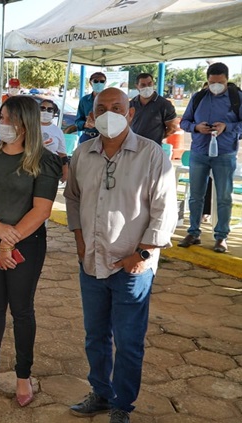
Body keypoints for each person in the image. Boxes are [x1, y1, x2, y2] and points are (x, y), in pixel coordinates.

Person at [64, 88, 177, 423]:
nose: (109, 113)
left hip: (132, 267)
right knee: (95, 335)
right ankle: (100, 392)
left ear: (130, 114)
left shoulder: (151, 154)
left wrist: (142, 253)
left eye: (117, 107)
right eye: (102, 108)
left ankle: (122, 404)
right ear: (92, 115)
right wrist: (80, 241)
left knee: (128, 342)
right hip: (92, 262)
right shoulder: (83, 154)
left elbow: (165, 210)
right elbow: (72, 198)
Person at [0, 95, 61, 407]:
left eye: (8, 118)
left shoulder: (44, 160)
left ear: (25, 122)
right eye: (1, 117)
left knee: (21, 309)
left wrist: (11, 239)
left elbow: (42, 209)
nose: (2, 123)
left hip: (27, 243)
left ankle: (23, 374)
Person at [178, 62, 241, 253]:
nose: (215, 86)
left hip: (224, 153)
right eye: (212, 82)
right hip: (199, 152)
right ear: (207, 80)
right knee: (196, 196)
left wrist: (226, 127)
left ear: (226, 80)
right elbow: (184, 121)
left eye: (220, 82)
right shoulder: (198, 97)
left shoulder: (236, 98)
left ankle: (221, 237)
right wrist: (196, 127)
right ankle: (193, 232)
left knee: (223, 197)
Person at [129, 73, 178, 145]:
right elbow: (127, 125)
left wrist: (157, 138)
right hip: (134, 146)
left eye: (149, 84)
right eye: (143, 85)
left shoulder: (164, 104)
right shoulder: (131, 104)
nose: (147, 87)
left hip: (154, 147)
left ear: (153, 84)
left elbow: (172, 128)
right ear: (137, 86)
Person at [40, 99, 68, 182]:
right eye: (42, 108)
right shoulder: (29, 127)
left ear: (53, 114)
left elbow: (62, 155)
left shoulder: (57, 131)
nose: (45, 111)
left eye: (49, 110)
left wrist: (65, 172)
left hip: (50, 169)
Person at [75, 72, 107, 143]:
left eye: (102, 81)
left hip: (105, 138)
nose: (99, 83)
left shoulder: (110, 99)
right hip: (88, 137)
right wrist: (85, 124)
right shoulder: (84, 100)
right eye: (96, 81)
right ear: (90, 83)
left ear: (105, 83)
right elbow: (77, 121)